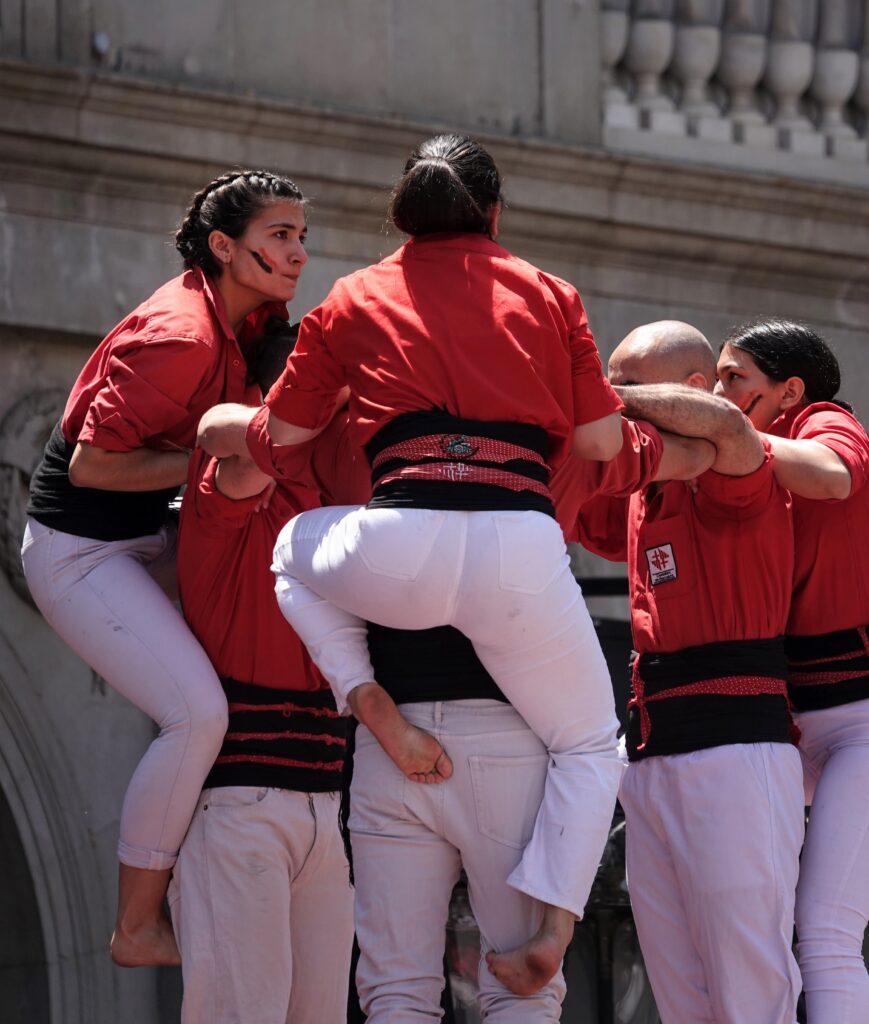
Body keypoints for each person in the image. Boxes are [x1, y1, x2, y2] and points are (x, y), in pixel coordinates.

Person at [20, 169, 308, 967]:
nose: (297, 254)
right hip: (80, 555)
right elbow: (92, 470)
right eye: (279, 236)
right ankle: (137, 927)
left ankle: (203, 877)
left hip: (152, 537)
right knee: (198, 714)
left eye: (300, 237)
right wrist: (216, 453)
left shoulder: (252, 315)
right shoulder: (182, 333)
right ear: (225, 246)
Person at [579, 320, 805, 1024]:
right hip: (652, 756)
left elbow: (728, 429)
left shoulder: (739, 466)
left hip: (735, 753)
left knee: (749, 981)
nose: (612, 394)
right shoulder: (645, 485)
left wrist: (596, 397)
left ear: (687, 390)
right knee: (676, 989)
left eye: (627, 381)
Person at [169, 323, 355, 1024]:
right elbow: (245, 459)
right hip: (239, 804)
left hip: (321, 800)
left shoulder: (329, 488)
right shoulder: (232, 480)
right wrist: (311, 403)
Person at [714, 317, 869, 1023]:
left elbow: (835, 478)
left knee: (827, 930)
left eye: (732, 378)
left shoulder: (827, 422)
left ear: (790, 392)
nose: (718, 393)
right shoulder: (752, 454)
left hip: (858, 725)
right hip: (782, 722)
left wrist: (716, 430)